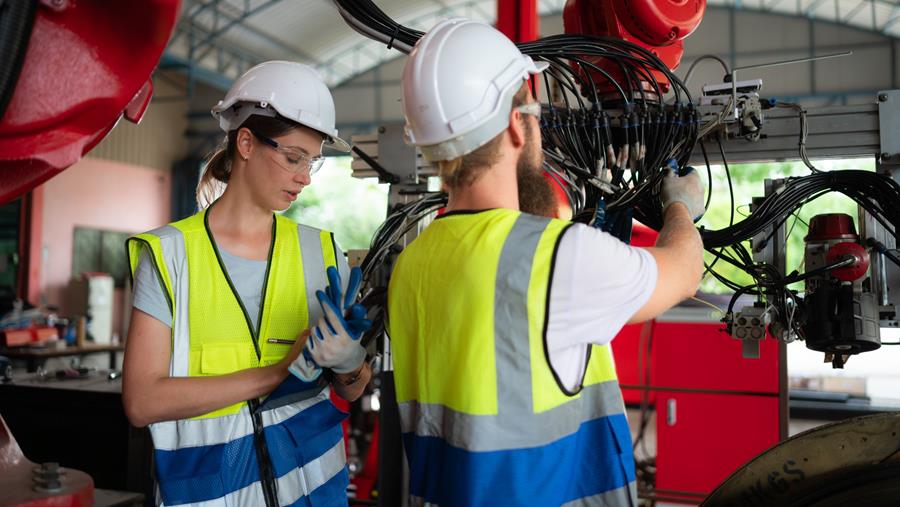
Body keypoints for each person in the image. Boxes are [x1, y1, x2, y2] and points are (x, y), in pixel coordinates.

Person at [387, 19, 706, 506]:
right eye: (533, 111)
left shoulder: (412, 263)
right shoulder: (558, 255)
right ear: (515, 125)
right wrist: (680, 204)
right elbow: (684, 272)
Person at [122, 61, 371, 507]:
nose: (304, 176)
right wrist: (276, 374)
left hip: (315, 495)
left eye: (312, 162)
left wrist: (351, 364)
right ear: (246, 143)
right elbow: (142, 402)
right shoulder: (170, 256)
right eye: (294, 157)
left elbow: (351, 390)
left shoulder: (322, 252)